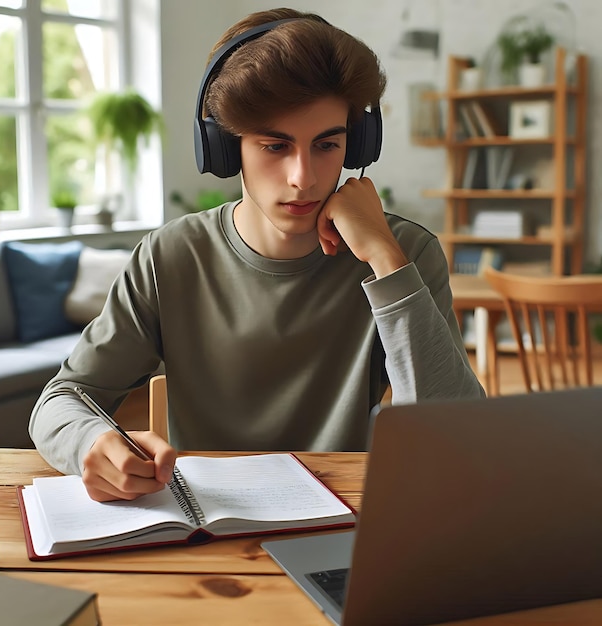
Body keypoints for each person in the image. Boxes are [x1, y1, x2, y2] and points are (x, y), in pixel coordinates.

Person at [30, 8, 485, 502]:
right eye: (275, 146)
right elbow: (61, 400)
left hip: (344, 526)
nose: (303, 177)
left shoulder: (405, 254)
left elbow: (454, 442)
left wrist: (385, 259)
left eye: (327, 144)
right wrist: (91, 444)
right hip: (204, 532)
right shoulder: (170, 257)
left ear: (357, 146)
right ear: (226, 148)